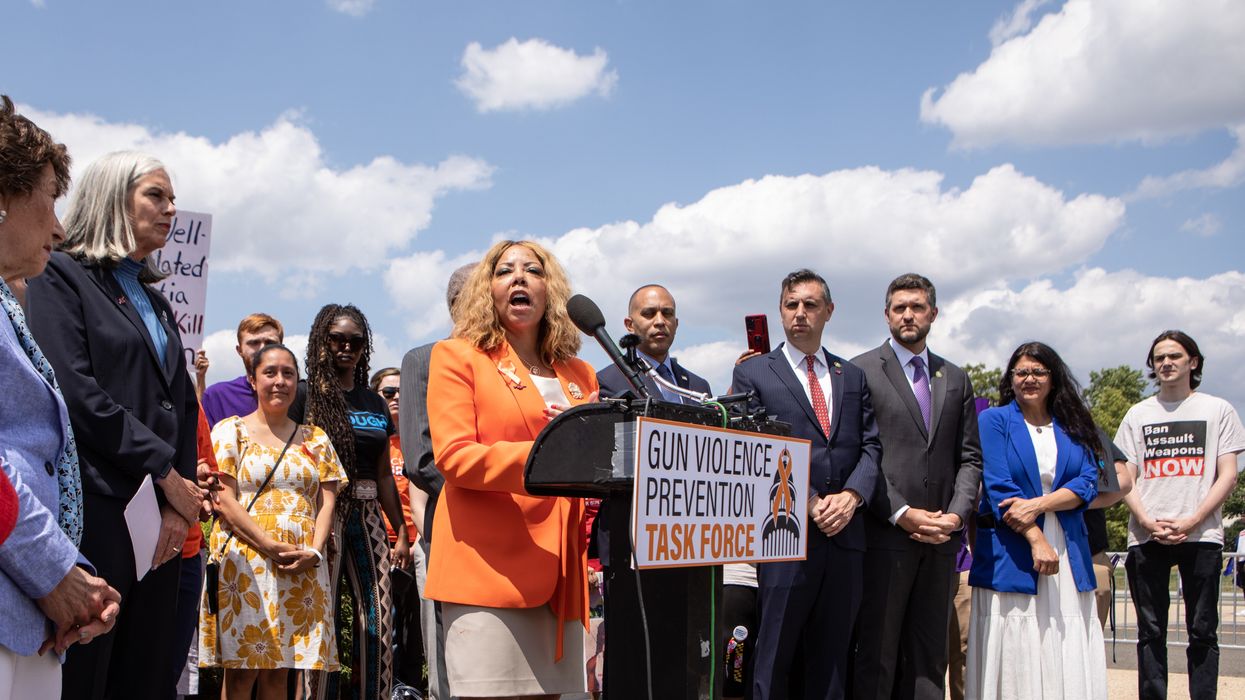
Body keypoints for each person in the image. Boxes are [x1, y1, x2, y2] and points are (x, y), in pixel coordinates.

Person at [26, 150, 204, 700]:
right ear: (111, 198)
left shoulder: (157, 300)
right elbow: (76, 393)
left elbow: (181, 405)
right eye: (156, 195)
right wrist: (163, 474)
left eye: (173, 197)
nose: (171, 208)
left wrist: (177, 499)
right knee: (87, 674)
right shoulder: (60, 276)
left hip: (158, 524)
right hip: (96, 508)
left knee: (146, 673)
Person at [425, 239, 598, 698]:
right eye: (504, 271)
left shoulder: (580, 374)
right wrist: (550, 452)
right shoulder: (457, 356)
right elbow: (455, 457)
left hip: (561, 577)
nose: (519, 277)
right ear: (489, 289)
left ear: (551, 290)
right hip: (486, 568)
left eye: (533, 270)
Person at [0, 94, 120, 698]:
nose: (59, 227)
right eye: (49, 197)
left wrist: (72, 583)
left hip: (28, 617)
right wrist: (56, 574)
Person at [731, 268, 880, 700]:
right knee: (774, 653)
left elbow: (871, 446)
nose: (800, 314)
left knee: (834, 657)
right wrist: (810, 501)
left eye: (810, 305)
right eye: (791, 305)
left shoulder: (851, 376)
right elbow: (754, 446)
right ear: (780, 312)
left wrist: (852, 497)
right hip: (786, 533)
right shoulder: (755, 373)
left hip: (845, 537)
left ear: (829, 311)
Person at [850, 273, 982, 700]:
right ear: (887, 314)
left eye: (917, 306)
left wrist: (956, 515)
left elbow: (969, 458)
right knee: (878, 654)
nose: (908, 314)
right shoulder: (860, 372)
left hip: (942, 541)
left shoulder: (955, 377)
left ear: (933, 314)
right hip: (884, 536)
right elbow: (861, 455)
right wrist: (903, 512)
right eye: (899, 307)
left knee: (930, 658)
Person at [199, 343, 345, 699]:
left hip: (301, 564)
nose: (279, 381)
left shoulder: (316, 439)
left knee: (281, 674)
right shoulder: (230, 432)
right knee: (241, 675)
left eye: (288, 373)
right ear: (252, 380)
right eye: (270, 373)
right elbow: (224, 499)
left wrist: (314, 551)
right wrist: (268, 544)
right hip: (247, 564)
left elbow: (327, 503)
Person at [965, 342, 1105, 699]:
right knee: (1017, 639)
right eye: (1021, 372)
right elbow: (999, 488)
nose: (1029, 379)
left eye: (1038, 371)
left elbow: (1089, 482)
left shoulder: (1074, 424)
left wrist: (1038, 504)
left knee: (1062, 633)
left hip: (1068, 548)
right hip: (1013, 549)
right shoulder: (994, 421)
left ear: (1053, 378)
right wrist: (1036, 539)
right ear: (1010, 379)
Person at [290, 303, 411, 700]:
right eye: (337, 339)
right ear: (322, 342)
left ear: (364, 348)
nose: (346, 347)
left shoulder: (374, 402)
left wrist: (402, 534)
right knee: (319, 618)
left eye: (355, 341)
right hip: (320, 514)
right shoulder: (304, 396)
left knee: (378, 617)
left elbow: (382, 474)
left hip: (369, 512)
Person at [1115, 330, 1245, 700]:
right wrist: (1145, 520)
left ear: (1194, 362)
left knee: (1203, 629)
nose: (1166, 363)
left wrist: (1192, 520)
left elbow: (1228, 475)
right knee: (1150, 632)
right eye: (1159, 358)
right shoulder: (1138, 414)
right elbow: (1126, 477)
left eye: (1174, 356)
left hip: (1202, 534)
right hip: (1147, 535)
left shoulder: (1217, 409)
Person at [398, 261, 474, 700]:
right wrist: (489, 499)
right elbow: (421, 458)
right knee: (450, 655)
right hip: (451, 528)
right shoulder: (424, 360)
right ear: (458, 304)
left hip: (512, 543)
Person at [371, 366, 427, 690]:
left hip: (415, 544)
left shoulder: (415, 438)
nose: (395, 399)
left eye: (400, 393)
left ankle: (410, 690)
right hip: (380, 543)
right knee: (383, 628)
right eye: (387, 393)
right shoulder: (375, 440)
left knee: (413, 630)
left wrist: (414, 541)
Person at [596, 284, 711, 400]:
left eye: (667, 313)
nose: (660, 321)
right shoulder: (608, 382)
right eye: (649, 314)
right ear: (629, 325)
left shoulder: (699, 387)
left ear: (676, 324)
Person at [201, 313, 284, 428]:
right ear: (239, 350)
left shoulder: (296, 397)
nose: (262, 348)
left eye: (270, 343)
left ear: (282, 348)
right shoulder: (217, 397)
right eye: (254, 343)